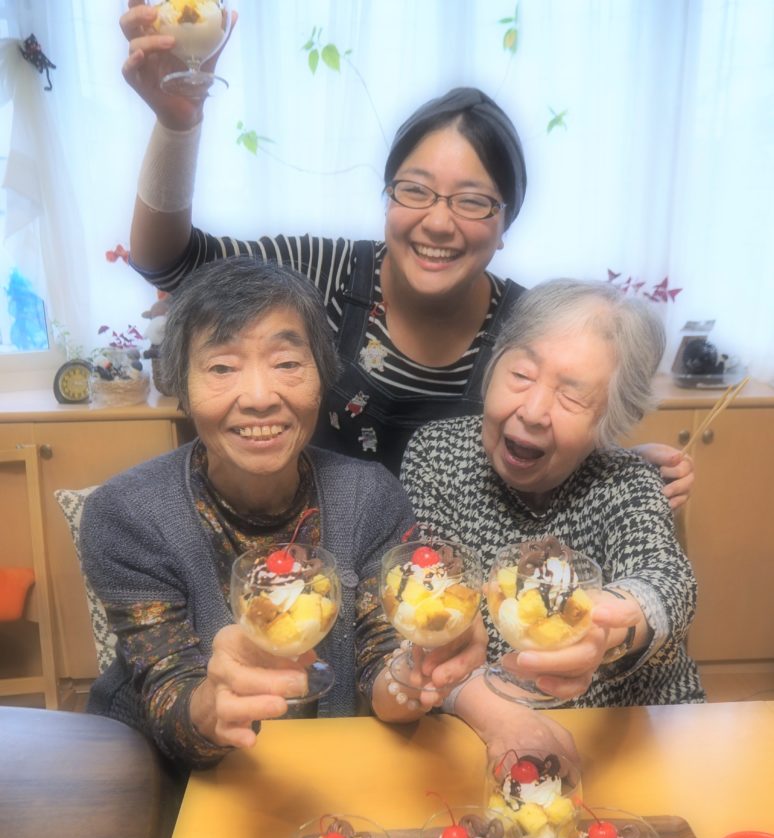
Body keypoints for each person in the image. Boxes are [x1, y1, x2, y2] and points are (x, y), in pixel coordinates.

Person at [117, 1, 694, 503]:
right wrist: (176, 123)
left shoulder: (528, 327)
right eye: (414, 191)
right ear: (387, 196)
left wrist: (610, 471)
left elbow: (554, 424)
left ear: (505, 224)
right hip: (320, 565)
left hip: (456, 580)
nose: (437, 223)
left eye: (473, 202)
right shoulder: (320, 273)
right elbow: (168, 262)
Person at [80, 258, 576, 770]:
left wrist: (416, 672)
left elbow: (381, 664)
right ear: (182, 386)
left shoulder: (370, 496)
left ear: (323, 375)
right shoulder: (126, 515)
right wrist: (211, 704)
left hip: (329, 768)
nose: (259, 397)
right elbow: (166, 702)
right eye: (222, 367)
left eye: (287, 363)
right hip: (168, 780)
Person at [400, 278, 705, 708]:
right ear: (493, 365)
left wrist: (611, 623)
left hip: (627, 721)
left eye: (572, 397)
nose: (533, 412)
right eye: (521, 375)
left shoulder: (625, 479)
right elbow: (427, 593)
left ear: (611, 420)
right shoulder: (437, 453)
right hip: (473, 715)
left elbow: (668, 579)